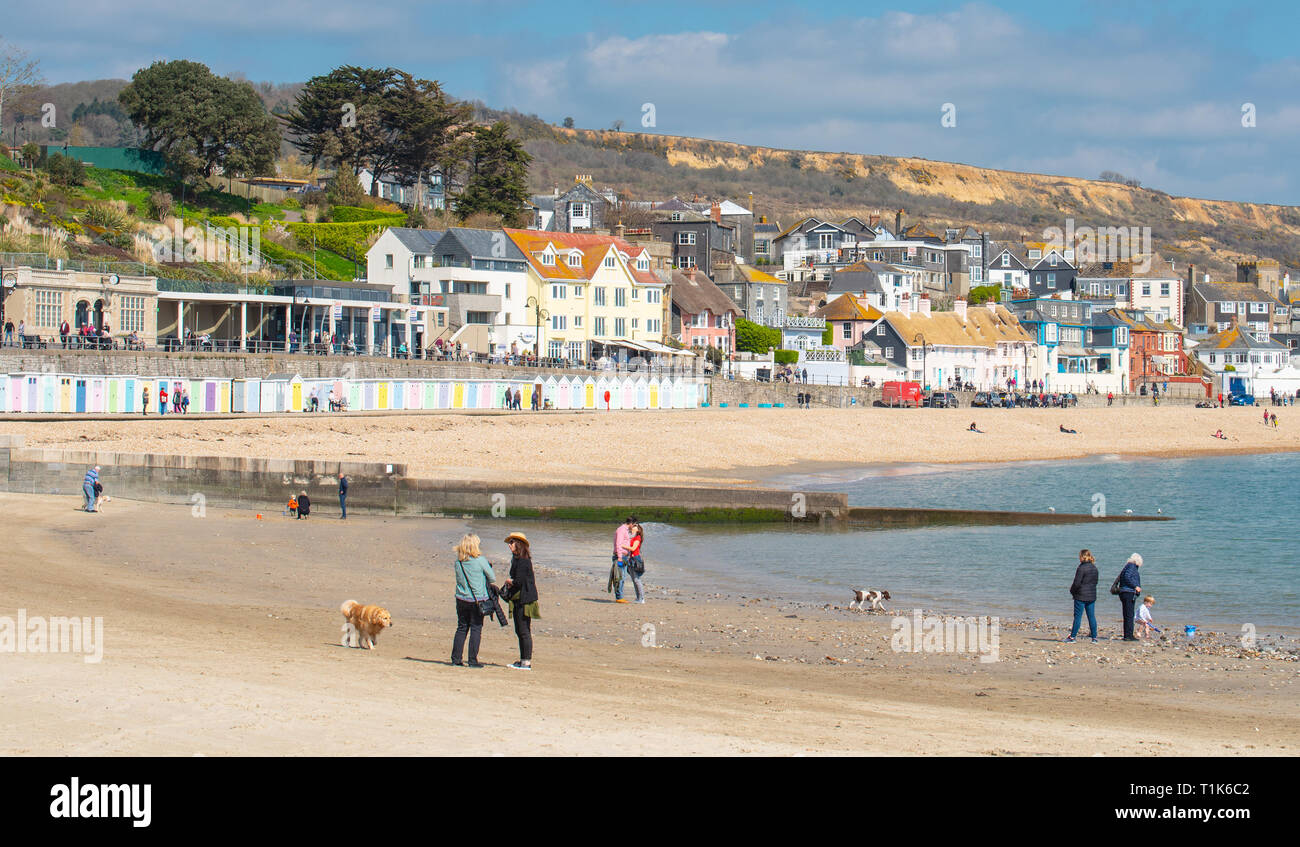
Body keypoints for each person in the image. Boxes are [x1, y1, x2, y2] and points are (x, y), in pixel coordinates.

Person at [452, 533, 495, 668]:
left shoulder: (458, 562)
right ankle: (472, 660)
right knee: (476, 628)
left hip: (461, 598)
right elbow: (492, 577)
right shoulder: (480, 560)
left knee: (462, 628)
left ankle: (456, 659)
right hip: (477, 600)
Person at [502, 532, 540, 670]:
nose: (509, 545)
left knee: (523, 631)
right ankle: (524, 660)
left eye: (511, 542)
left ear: (518, 544)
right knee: (520, 630)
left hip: (525, 600)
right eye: (509, 543)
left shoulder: (524, 561)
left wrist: (509, 581)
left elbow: (519, 581)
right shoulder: (517, 559)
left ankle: (526, 662)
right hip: (521, 598)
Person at [1066, 549, 1099, 643]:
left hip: (1081, 596)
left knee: (1078, 617)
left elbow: (1076, 583)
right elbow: (1095, 582)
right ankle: (1094, 638)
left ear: (1082, 557)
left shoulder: (1081, 568)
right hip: (1091, 595)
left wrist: (1072, 591)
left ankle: (1072, 637)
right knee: (1091, 616)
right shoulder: (1094, 568)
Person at [1117, 553, 1143, 642]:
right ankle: (1129, 635)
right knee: (1129, 615)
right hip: (1128, 592)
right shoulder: (1132, 566)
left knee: (1127, 614)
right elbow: (1127, 577)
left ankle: (1127, 635)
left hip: (1124, 592)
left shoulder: (1128, 566)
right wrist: (1135, 586)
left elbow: (1124, 577)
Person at [611, 516, 634, 603]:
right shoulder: (621, 530)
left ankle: (620, 596)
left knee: (622, 577)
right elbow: (618, 544)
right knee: (619, 577)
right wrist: (620, 557)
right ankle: (619, 597)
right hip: (620, 557)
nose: (634, 526)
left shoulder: (626, 530)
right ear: (631, 523)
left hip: (624, 557)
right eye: (634, 524)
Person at [627, 523, 646, 603]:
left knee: (636, 579)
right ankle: (638, 597)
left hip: (636, 559)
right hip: (631, 559)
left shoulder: (637, 538)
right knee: (634, 579)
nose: (633, 526)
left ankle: (641, 598)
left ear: (638, 529)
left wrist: (622, 546)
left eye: (635, 526)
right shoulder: (632, 537)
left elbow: (633, 548)